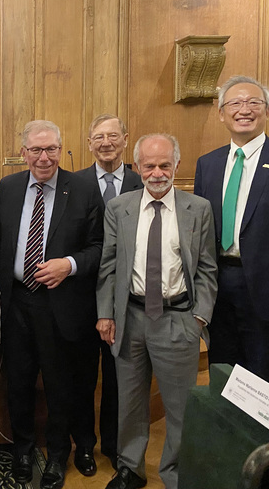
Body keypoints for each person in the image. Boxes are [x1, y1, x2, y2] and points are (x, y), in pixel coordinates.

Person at [97, 134, 217, 489]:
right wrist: (106, 313)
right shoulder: (120, 208)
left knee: (180, 407)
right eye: (149, 165)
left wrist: (199, 318)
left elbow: (208, 268)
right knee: (130, 402)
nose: (157, 172)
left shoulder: (199, 209)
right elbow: (108, 266)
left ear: (177, 166)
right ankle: (130, 469)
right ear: (138, 167)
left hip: (178, 319)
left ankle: (175, 474)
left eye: (165, 164)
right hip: (129, 319)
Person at [0, 120, 104, 488]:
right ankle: (22, 449)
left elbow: (101, 247)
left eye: (51, 149)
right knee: (19, 382)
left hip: (61, 306)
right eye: (36, 150)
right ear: (23, 152)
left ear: (61, 149)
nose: (44, 158)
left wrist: (68, 265)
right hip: (16, 304)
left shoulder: (84, 189)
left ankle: (58, 454)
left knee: (60, 386)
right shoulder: (7, 188)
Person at [194, 75, 269, 384]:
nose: (244, 109)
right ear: (222, 113)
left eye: (253, 102)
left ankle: (264, 435)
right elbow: (197, 234)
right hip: (218, 287)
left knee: (265, 382)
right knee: (222, 376)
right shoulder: (207, 164)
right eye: (235, 103)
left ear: (268, 111)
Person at [74, 114, 143, 469]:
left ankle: (115, 447)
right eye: (98, 137)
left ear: (125, 139)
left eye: (113, 136)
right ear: (89, 143)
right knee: (84, 377)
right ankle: (84, 445)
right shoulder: (74, 183)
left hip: (127, 298)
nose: (106, 143)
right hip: (81, 297)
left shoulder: (142, 180)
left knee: (120, 378)